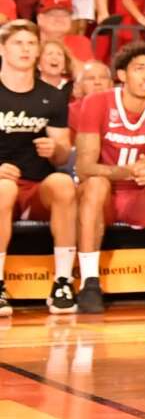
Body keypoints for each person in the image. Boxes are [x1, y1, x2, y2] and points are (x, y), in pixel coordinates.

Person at [72, 43, 145, 313]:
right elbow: (84, 167)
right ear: (122, 75)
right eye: (140, 69)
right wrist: (127, 171)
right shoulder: (97, 102)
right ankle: (90, 283)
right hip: (106, 196)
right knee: (95, 183)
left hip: (143, 196)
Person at [0, 18, 78, 315]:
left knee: (63, 183)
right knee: (3, 188)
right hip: (2, 185)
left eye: (31, 43)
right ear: (2, 49)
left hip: (36, 186)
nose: (25, 49)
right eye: (18, 43)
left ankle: (62, 281)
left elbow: (60, 157)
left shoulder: (52, 96)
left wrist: (54, 148)